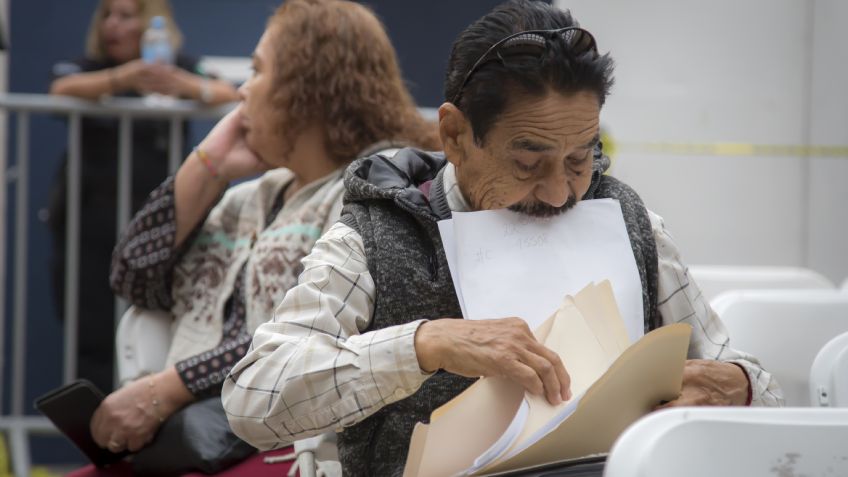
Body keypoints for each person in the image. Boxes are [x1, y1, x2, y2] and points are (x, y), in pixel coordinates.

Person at [221, 1, 785, 475]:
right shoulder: (375, 234)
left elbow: (758, 382)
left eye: (581, 157)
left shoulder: (628, 221)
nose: (561, 192)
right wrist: (423, 345)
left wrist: (735, 387)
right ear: (455, 135)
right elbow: (253, 399)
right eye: (528, 161)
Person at [85, 0, 439, 461]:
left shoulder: (367, 194)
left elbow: (288, 339)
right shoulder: (255, 196)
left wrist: (167, 389)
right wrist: (207, 166)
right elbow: (133, 276)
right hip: (199, 445)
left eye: (256, 72)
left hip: (286, 451)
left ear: (304, 89)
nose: (241, 92)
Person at [48, 0, 239, 391]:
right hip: (90, 224)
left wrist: (184, 85)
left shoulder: (177, 63)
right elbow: (61, 87)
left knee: (152, 330)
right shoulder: (92, 66)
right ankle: (94, 437)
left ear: (151, 23)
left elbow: (228, 92)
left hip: (157, 228)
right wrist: (123, 79)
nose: (113, 25)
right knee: (90, 330)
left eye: (126, 16)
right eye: (107, 16)